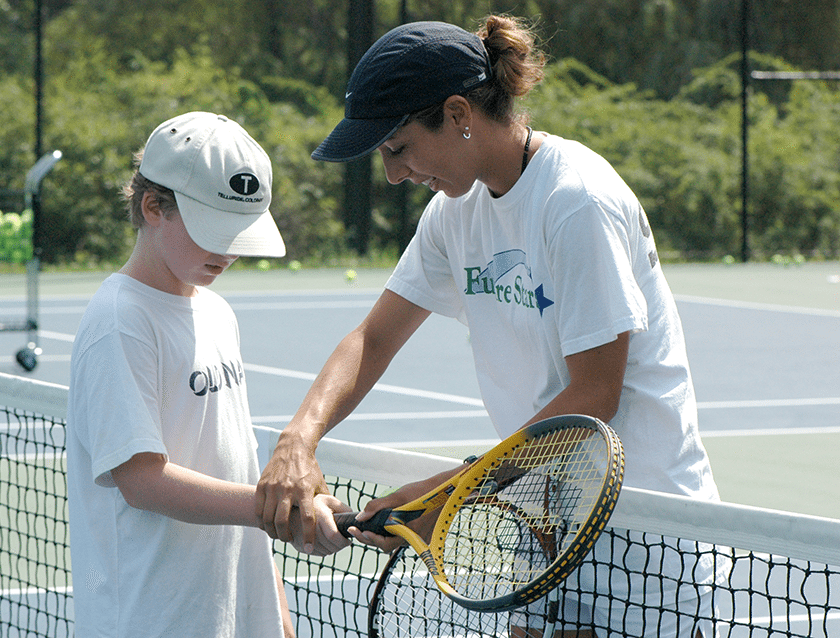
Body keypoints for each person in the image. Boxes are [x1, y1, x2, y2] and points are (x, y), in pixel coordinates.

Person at [256, 17, 723, 638]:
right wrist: (298, 439)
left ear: (457, 113)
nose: (393, 174)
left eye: (398, 148)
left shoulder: (577, 202)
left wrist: (450, 493)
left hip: (646, 531)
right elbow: (372, 339)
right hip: (545, 520)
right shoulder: (454, 214)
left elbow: (593, 397)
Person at [66, 112, 351, 638]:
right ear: (154, 207)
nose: (227, 252)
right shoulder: (119, 321)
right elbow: (142, 481)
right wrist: (279, 511)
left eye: (237, 233)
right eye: (211, 231)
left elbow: (238, 466)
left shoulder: (217, 311)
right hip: (151, 621)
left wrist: (274, 611)